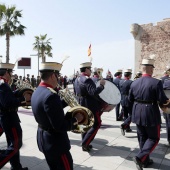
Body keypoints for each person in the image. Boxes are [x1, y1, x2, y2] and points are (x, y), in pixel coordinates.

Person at [31, 62, 84, 170]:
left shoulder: (38, 91)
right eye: (57, 76)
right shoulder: (51, 96)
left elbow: (48, 110)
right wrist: (76, 119)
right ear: (52, 76)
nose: (59, 79)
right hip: (56, 144)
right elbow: (60, 125)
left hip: (44, 140)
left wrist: (65, 101)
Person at [129, 58, 169, 170]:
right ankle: (140, 157)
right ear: (151, 69)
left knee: (142, 137)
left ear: (142, 69)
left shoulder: (134, 82)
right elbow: (162, 100)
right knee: (153, 138)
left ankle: (145, 161)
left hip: (137, 111)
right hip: (150, 112)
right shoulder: (156, 82)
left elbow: (130, 99)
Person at [0, 62, 31, 170]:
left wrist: (19, 91)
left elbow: (7, 97)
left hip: (7, 117)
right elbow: (7, 103)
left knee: (12, 143)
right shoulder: (2, 84)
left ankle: (16, 167)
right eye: (10, 72)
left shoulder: (3, 83)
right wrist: (24, 99)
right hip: (9, 118)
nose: (11, 74)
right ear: (6, 73)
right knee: (16, 145)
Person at [74, 62, 106, 152]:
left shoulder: (77, 79)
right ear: (86, 69)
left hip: (81, 103)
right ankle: (85, 143)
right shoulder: (87, 79)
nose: (91, 70)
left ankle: (85, 142)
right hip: (90, 105)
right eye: (90, 69)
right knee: (97, 123)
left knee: (84, 124)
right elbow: (93, 92)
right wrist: (102, 86)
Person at [119, 69, 133, 135]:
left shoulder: (120, 81)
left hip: (122, 99)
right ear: (129, 75)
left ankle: (127, 128)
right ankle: (124, 125)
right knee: (132, 115)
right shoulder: (130, 82)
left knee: (125, 115)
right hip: (128, 100)